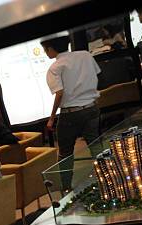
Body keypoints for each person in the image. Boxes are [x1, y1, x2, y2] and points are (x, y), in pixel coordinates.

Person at [42, 34, 103, 192]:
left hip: (71, 114)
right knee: (96, 146)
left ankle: (67, 188)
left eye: (45, 49)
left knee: (65, 153)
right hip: (92, 108)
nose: (45, 53)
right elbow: (96, 74)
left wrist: (51, 118)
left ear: (50, 48)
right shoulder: (85, 55)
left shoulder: (54, 68)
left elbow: (59, 93)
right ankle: (107, 175)